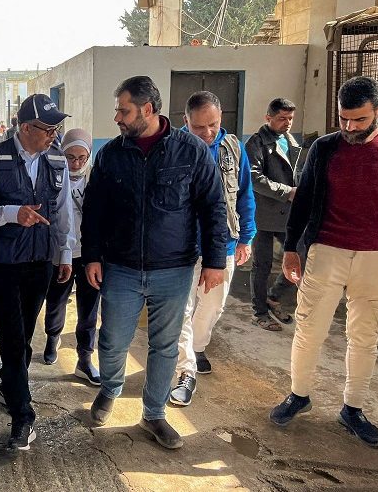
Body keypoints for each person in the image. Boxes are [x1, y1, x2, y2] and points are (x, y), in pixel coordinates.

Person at [81, 76, 227, 450]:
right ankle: (110, 389)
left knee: (165, 346)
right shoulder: (112, 154)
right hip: (121, 267)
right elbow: (94, 210)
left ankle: (154, 413)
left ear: (147, 110)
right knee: (113, 341)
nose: (117, 117)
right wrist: (93, 255)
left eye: (123, 110)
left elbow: (213, 206)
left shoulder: (190, 151)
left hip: (174, 269)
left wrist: (213, 261)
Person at [270, 76, 378, 449]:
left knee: (364, 337)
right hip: (327, 251)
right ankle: (298, 395)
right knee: (309, 329)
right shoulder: (323, 148)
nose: (350, 128)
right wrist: (291, 247)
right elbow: (303, 201)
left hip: (377, 259)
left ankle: (352, 409)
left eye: (359, 120)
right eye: (343, 119)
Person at [0, 93, 74, 450]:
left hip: (39, 261)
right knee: (13, 339)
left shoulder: (56, 159)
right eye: (47, 129)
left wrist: (65, 254)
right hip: (1, 262)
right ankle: (22, 415)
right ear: (26, 128)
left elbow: (62, 213)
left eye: (56, 129)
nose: (53, 135)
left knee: (25, 334)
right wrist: (13, 213)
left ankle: (10, 382)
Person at [169, 91, 256, 406]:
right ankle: (185, 371)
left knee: (212, 307)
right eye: (199, 127)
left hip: (224, 243)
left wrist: (247, 236)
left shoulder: (234, 148)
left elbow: (244, 193)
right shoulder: (173, 148)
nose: (207, 133)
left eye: (213, 126)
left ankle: (196, 346)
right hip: (182, 246)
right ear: (186, 122)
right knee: (180, 310)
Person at [42, 127, 101, 385]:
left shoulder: (97, 180)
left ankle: (85, 358)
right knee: (56, 300)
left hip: (89, 254)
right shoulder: (52, 175)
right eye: (70, 157)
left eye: (81, 157)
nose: (75, 163)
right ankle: (52, 337)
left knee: (89, 308)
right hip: (60, 253)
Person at [245, 98, 302, 331]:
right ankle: (259, 312)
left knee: (299, 258)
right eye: (282, 118)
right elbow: (254, 177)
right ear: (268, 118)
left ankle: (275, 296)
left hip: (286, 215)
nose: (287, 123)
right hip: (262, 215)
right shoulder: (256, 143)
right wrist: (287, 192)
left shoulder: (290, 140)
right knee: (262, 265)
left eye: (290, 119)